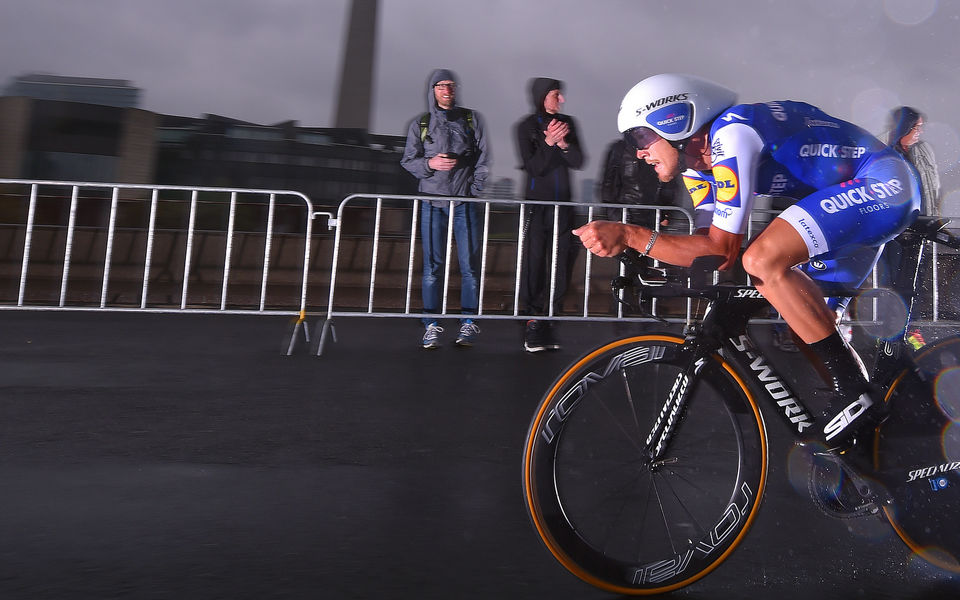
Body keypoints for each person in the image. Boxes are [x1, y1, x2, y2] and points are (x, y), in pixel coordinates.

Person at [573, 74, 920, 448]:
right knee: (805, 321)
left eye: (639, 137)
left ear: (676, 120)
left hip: (882, 185)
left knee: (762, 260)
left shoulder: (731, 132)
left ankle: (856, 396)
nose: (638, 152)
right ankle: (876, 445)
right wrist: (643, 253)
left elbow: (724, 249)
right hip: (854, 198)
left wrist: (630, 235)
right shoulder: (698, 169)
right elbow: (708, 250)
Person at [401, 68, 490, 349]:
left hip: (464, 202)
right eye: (441, 86)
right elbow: (408, 160)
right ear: (433, 90)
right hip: (431, 202)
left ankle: (467, 323)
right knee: (432, 268)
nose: (447, 90)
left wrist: (474, 190)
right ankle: (431, 326)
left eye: (451, 85)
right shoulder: (421, 123)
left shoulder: (471, 119)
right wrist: (430, 165)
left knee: (469, 268)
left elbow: (484, 158)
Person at [515, 77, 585, 353]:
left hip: (564, 206)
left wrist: (564, 144)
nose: (562, 100)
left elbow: (579, 162)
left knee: (561, 264)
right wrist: (547, 142)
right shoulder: (525, 127)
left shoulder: (569, 123)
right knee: (534, 263)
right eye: (557, 95)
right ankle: (533, 322)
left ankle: (551, 320)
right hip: (536, 205)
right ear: (543, 96)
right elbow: (534, 168)